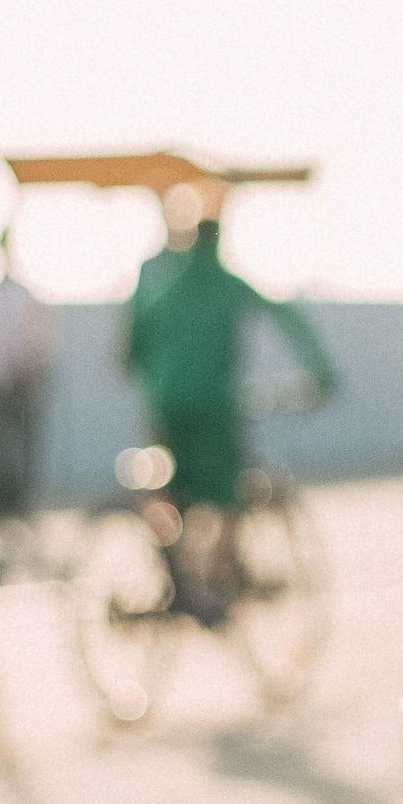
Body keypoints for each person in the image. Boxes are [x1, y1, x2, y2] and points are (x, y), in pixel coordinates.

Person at [125, 191, 333, 604]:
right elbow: (287, 318)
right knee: (230, 493)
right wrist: (321, 372)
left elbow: (133, 348)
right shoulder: (227, 284)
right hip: (215, 405)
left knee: (172, 488)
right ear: (218, 242)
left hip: (166, 403)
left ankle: (175, 575)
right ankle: (219, 586)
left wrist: (159, 381)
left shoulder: (164, 287)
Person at [0, 230, 54, 525]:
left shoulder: (22, 297)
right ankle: (0, 503)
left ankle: (18, 502)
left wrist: (27, 371)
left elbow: (36, 341)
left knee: (21, 445)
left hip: (20, 384)